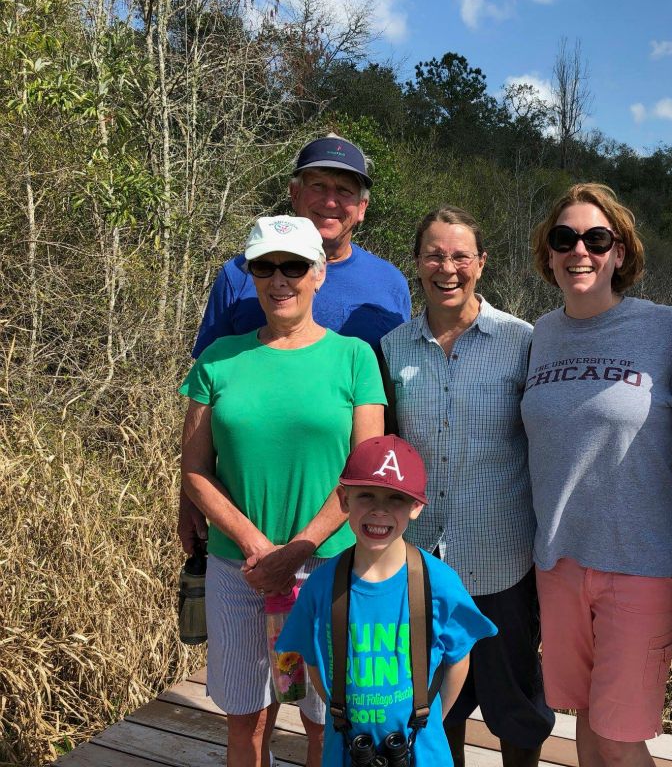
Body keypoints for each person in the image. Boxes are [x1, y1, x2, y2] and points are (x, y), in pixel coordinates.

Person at [179, 216, 387, 767]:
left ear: (318, 273)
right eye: (264, 267)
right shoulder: (217, 359)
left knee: (328, 720)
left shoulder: (355, 359)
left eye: (294, 266)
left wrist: (297, 550)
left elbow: (364, 474)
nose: (280, 280)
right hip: (239, 571)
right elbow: (195, 469)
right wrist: (255, 546)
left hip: (330, 569)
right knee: (248, 721)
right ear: (249, 275)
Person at [179, 135, 412, 558]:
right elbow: (205, 407)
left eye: (344, 191)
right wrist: (189, 497)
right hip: (246, 524)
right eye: (318, 186)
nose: (330, 201)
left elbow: (398, 393)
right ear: (293, 193)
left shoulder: (389, 285)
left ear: (362, 208)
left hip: (347, 517)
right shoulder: (238, 275)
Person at [380, 207, 555, 767]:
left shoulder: (523, 342)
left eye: (460, 255)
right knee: (435, 709)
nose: (447, 267)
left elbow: (557, 429)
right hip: (421, 563)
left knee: (517, 711)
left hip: (503, 557)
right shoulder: (392, 349)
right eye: (435, 254)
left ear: (481, 263)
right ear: (417, 262)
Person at [519, 183, 672, 767]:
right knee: (587, 716)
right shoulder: (539, 336)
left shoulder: (667, 329)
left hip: (640, 563)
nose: (579, 251)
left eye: (596, 238)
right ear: (549, 255)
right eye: (564, 239)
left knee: (620, 734)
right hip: (559, 561)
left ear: (620, 252)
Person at [275, 435, 497, 767]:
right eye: (366, 495)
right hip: (347, 751)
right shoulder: (322, 587)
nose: (379, 510)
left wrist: (426, 719)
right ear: (344, 498)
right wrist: (340, 709)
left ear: (417, 506)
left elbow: (458, 660)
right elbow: (314, 663)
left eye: (396, 498)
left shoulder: (439, 583)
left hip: (422, 753)